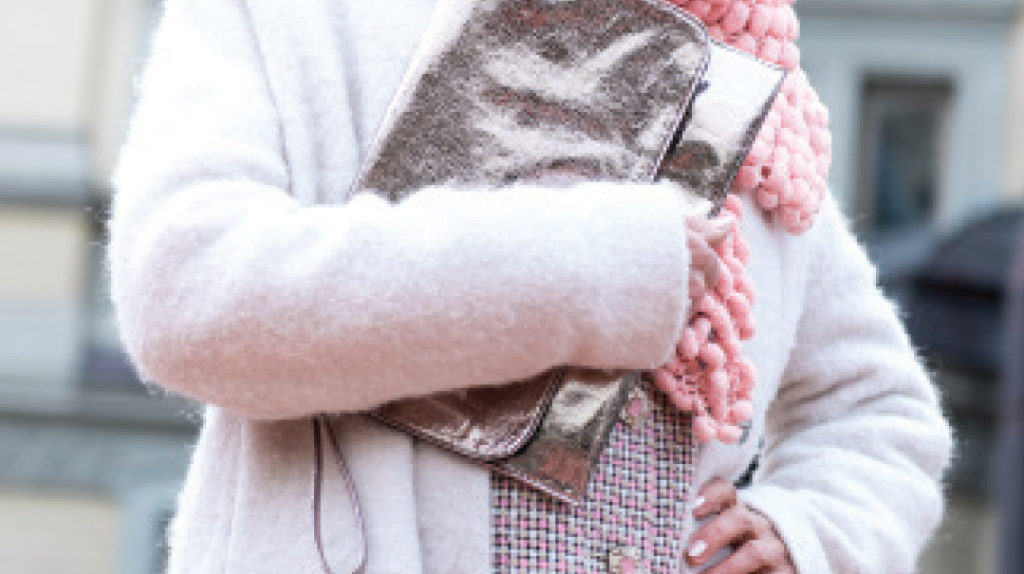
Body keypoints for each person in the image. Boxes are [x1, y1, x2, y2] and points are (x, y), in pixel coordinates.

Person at [107, 0, 952, 572]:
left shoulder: (740, 79)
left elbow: (880, 412)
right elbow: (186, 290)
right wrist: (591, 263)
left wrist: (806, 532)